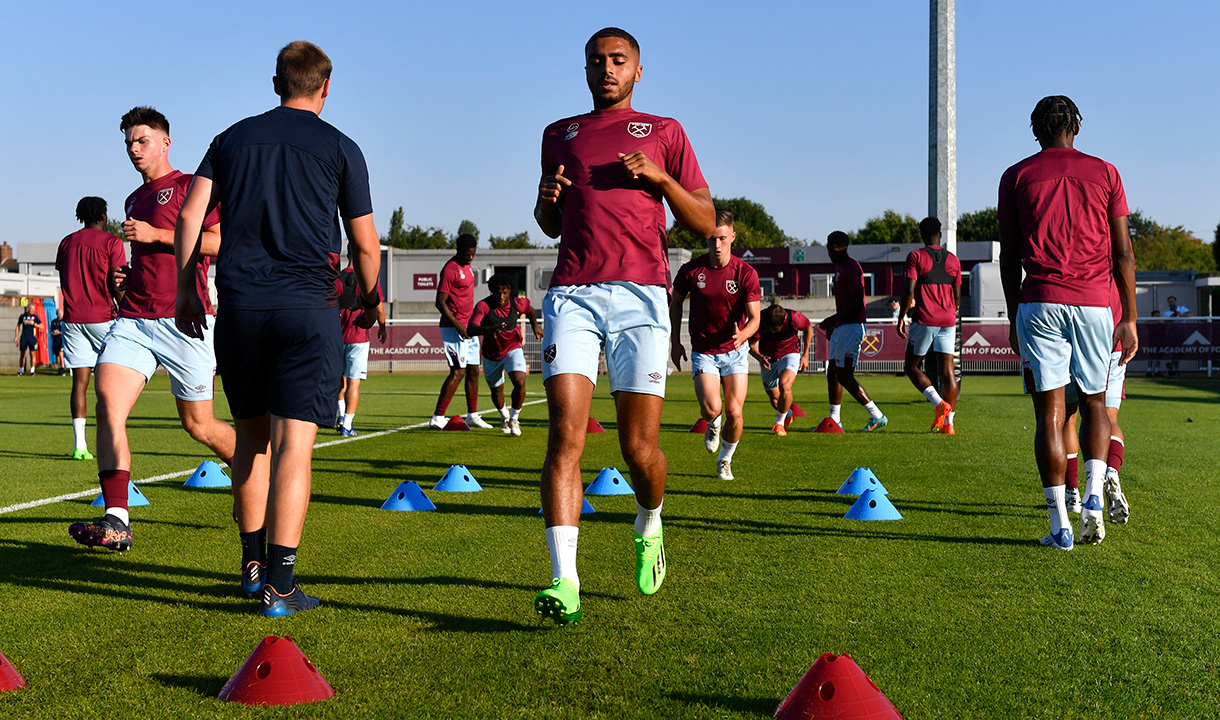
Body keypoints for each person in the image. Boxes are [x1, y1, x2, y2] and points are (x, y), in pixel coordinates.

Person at [175, 40, 380, 617]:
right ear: (326, 87)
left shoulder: (231, 138)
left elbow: (191, 216)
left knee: (250, 440)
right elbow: (365, 243)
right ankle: (281, 584)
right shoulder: (341, 146)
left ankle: (250, 569)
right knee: (296, 446)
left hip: (239, 310)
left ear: (275, 83)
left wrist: (187, 288)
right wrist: (370, 299)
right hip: (307, 311)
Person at [531, 27, 715, 625]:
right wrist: (545, 199)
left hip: (642, 295)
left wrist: (660, 180)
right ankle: (565, 582)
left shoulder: (665, 131)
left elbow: (705, 220)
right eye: (596, 61)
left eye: (617, 60)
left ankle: (651, 521)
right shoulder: (559, 134)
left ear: (639, 69)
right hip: (572, 294)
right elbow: (551, 225)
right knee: (566, 436)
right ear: (584, 70)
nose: (606, 69)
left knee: (639, 452)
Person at [68, 107, 236, 555]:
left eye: (142, 141)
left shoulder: (189, 188)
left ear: (165, 142)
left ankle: (253, 471)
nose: (134, 149)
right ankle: (117, 519)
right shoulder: (131, 200)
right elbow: (145, 256)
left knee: (198, 424)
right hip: (135, 320)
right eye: (128, 143)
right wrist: (129, 279)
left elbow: (220, 242)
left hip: (186, 318)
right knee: (108, 401)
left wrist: (158, 236)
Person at [999, 95, 1137, 550]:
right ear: (1076, 126)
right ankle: (1094, 495)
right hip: (1097, 302)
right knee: (1097, 404)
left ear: (1036, 130)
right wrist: (1130, 317)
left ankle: (1060, 525)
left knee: (1051, 414)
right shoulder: (1106, 172)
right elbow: (1123, 254)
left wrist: (1014, 308)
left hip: (1038, 301)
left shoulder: (1015, 176)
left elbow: (1008, 256)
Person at [670, 210, 761, 478]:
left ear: (732, 236)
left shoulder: (745, 273)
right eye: (712, 239)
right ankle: (713, 422)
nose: (717, 245)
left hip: (735, 352)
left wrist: (743, 335)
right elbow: (675, 303)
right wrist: (675, 342)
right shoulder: (691, 271)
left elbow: (755, 318)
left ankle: (726, 459)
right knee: (712, 408)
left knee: (735, 412)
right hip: (704, 352)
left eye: (722, 238)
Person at [55, 196, 126, 459]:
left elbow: (64, 278)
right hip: (103, 317)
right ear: (104, 216)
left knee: (79, 383)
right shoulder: (112, 242)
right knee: (112, 382)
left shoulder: (66, 242)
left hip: (73, 320)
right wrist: (125, 308)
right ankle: (113, 438)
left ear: (81, 216)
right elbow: (117, 282)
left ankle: (80, 446)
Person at [817, 231, 887, 432]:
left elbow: (857, 303)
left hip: (851, 326)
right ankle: (835, 420)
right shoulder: (839, 267)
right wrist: (834, 324)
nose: (828, 251)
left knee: (845, 375)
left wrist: (834, 319)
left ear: (841, 247)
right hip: (842, 326)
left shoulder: (851, 266)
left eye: (831, 247)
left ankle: (877, 415)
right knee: (832, 372)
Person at [897, 217, 961, 434]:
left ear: (922, 235)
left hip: (925, 319)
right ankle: (948, 424)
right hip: (948, 320)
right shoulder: (953, 260)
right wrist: (949, 311)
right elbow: (958, 295)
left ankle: (939, 405)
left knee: (911, 366)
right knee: (948, 372)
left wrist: (901, 318)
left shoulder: (916, 256)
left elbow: (908, 291)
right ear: (940, 235)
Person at [428, 234, 492, 430]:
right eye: (467, 254)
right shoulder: (450, 269)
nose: (470, 258)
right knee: (458, 372)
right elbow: (440, 302)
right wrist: (458, 326)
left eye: (473, 254)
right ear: (458, 250)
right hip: (453, 327)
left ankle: (472, 415)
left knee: (473, 370)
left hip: (469, 327)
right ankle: (438, 417)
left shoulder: (468, 267)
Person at [467, 274, 543, 435]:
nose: (501, 296)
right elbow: (470, 329)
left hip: (513, 348)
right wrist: (488, 329)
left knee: (520, 381)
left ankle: (515, 418)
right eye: (497, 292)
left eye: (505, 292)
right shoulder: (483, 306)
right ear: (491, 291)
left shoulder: (518, 304)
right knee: (497, 390)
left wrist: (535, 326)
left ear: (510, 292)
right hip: (491, 354)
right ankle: (504, 415)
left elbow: (530, 311)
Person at [335, 252, 386, 437]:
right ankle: (347, 425)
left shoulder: (337, 278)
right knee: (353, 383)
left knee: (338, 380)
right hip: (359, 338)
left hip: (338, 336)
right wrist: (382, 327)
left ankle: (340, 416)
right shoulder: (368, 279)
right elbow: (379, 308)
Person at [748, 303, 812, 437]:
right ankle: (788, 413)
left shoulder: (794, 318)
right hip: (768, 359)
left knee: (785, 386)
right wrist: (760, 358)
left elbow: (808, 327)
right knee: (775, 399)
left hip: (790, 354)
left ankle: (780, 423)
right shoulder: (759, 320)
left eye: (777, 329)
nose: (775, 332)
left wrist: (805, 355)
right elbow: (751, 345)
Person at [1164, 296, 1189, 376]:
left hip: (1181, 334)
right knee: (1174, 352)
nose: (1171, 303)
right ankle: (1174, 369)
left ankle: (1173, 366)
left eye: (1172, 301)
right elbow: (1166, 321)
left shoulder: (1182, 309)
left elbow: (1190, 315)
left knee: (1180, 352)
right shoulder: (1167, 312)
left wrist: (1181, 315)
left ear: (1175, 301)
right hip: (1172, 335)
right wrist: (1173, 316)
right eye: (1169, 302)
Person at [14, 302, 41, 376]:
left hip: (32, 337)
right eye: (31, 309)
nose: (32, 310)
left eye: (33, 309)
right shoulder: (22, 316)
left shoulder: (35, 317)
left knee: (32, 354)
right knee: (23, 354)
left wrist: (33, 324)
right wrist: (16, 336)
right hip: (24, 337)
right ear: (28, 308)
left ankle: (32, 370)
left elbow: (41, 326)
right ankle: (21, 370)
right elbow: (18, 326)